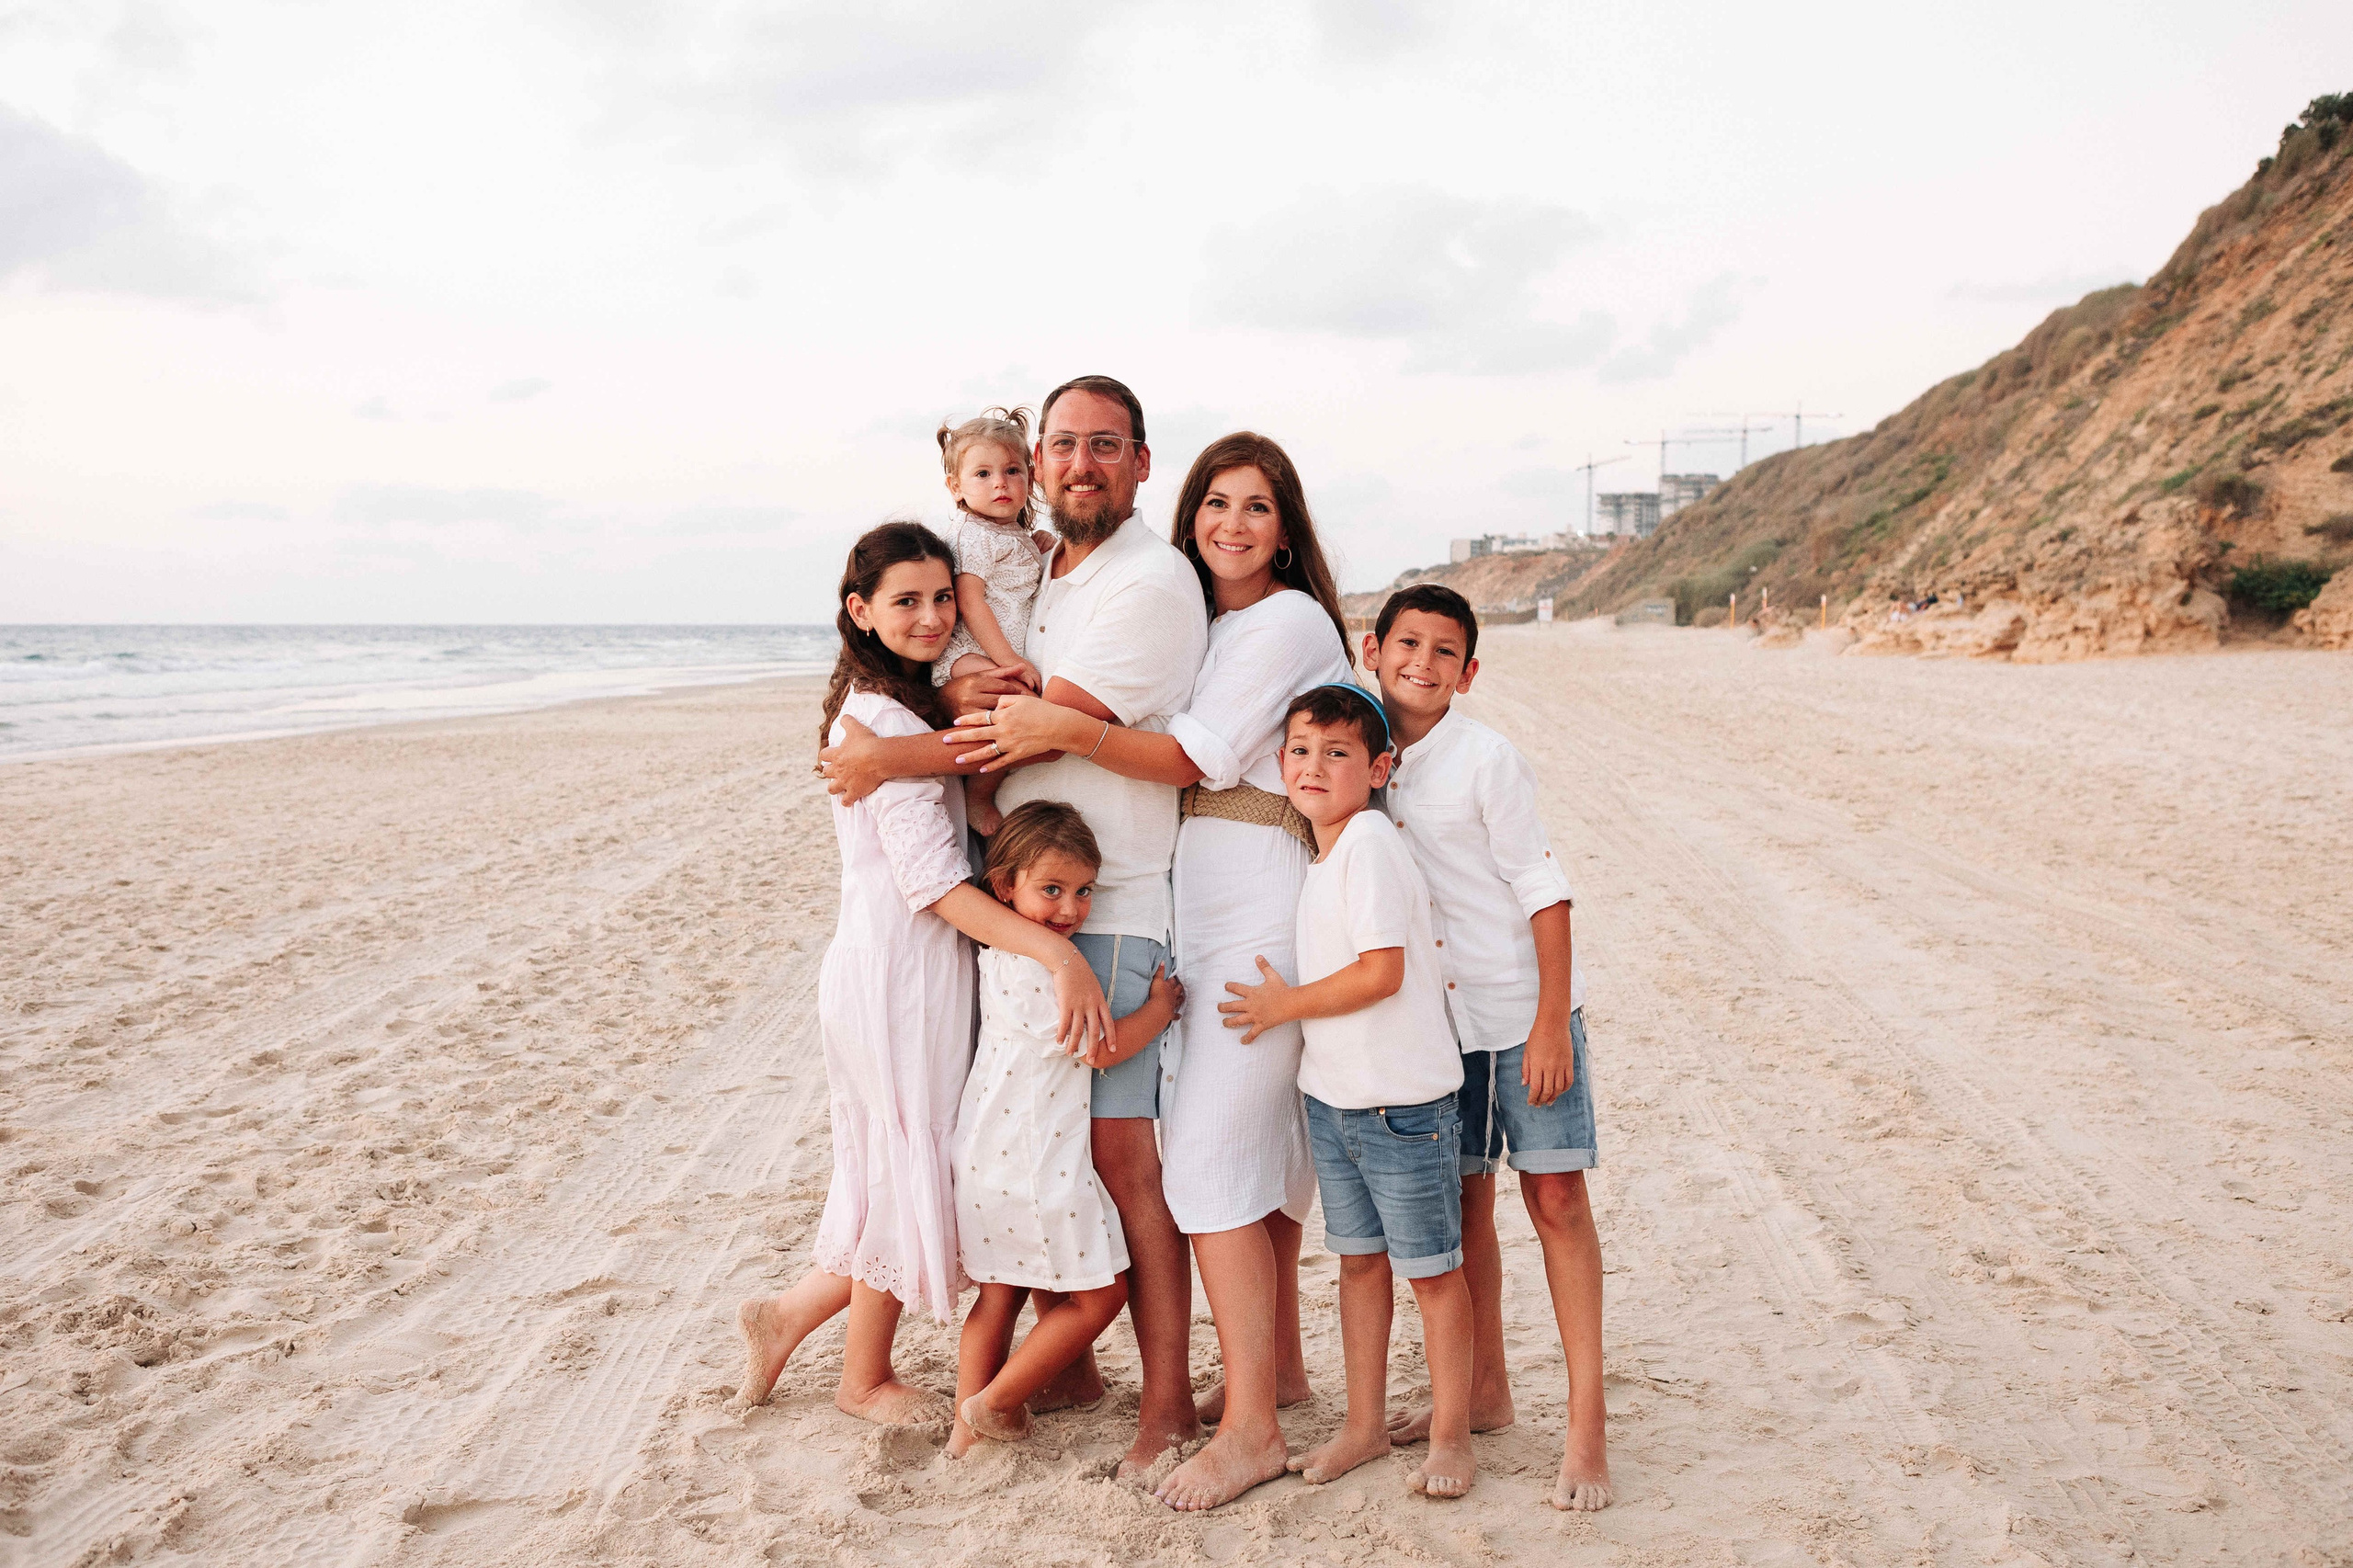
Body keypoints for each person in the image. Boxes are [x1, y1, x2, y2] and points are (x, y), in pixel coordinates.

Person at [945, 432, 1354, 1510]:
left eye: (1256, 507)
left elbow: (1192, 757)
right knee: (1254, 1157)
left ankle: (1255, 1429)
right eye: (1214, 503)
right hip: (1205, 887)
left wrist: (1053, 722)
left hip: (1254, 891)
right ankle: (1285, 1374)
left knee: (1209, 1164)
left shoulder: (1288, 619)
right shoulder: (1222, 618)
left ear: (1287, 524)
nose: (1230, 523)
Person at [818, 376, 1210, 1478]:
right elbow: (994, 697)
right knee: (1060, 1151)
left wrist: (890, 754)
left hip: (1112, 903)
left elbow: (1027, 730)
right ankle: (1071, 1371)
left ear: (1140, 460)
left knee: (1124, 1165)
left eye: (1104, 445)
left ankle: (1165, 1403)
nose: (1079, 462)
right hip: (1043, 905)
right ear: (1034, 462)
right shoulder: (1050, 571)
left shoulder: (1144, 578)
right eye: (1061, 444)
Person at [734, 522, 1115, 1425]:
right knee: (914, 1160)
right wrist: (1056, 949)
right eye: (906, 600)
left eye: (943, 597)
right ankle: (862, 1377)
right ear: (860, 610)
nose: (931, 614)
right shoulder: (883, 720)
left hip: (898, 970)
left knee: (892, 1161)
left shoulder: (902, 714)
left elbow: (970, 797)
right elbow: (935, 885)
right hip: (900, 974)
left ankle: (785, 1315)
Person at [1360, 583, 1612, 1512]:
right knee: (1465, 1207)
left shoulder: (1486, 759)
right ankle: (1485, 1388)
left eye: (1442, 652)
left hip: (1520, 1013)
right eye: (1406, 644)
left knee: (1555, 1198)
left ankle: (1586, 1424)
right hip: (1436, 1028)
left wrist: (1551, 1021)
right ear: (1371, 647)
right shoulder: (1363, 756)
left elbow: (1543, 889)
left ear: (1467, 672)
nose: (1420, 663)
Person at [1222, 683, 1479, 1499]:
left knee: (1433, 1274)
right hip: (1334, 1102)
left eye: (1338, 753)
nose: (1314, 766)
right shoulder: (1326, 849)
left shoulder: (1367, 841)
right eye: (1300, 750)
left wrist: (1282, 1007)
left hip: (1403, 1106)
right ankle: (1364, 1427)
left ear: (1378, 769)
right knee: (1360, 1267)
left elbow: (1383, 970)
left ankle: (1451, 1436)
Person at [949, 801, 1184, 1456]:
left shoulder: (1000, 957)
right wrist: (1160, 1011)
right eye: (1050, 890)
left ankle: (961, 1444)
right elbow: (1100, 1049)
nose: (1070, 909)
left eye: (1083, 892)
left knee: (996, 1301)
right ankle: (993, 1403)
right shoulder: (1043, 971)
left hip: (987, 1158)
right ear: (1004, 888)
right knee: (1100, 1296)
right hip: (1032, 1166)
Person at [929, 408, 1050, 836]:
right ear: (956, 487)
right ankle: (978, 797)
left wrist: (1041, 547)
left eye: (1012, 470)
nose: (1000, 482)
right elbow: (971, 600)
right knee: (1019, 704)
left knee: (1020, 714)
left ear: (1030, 479)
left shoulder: (1007, 532)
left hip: (990, 652)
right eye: (982, 474)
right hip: (969, 652)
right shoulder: (973, 534)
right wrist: (1008, 661)